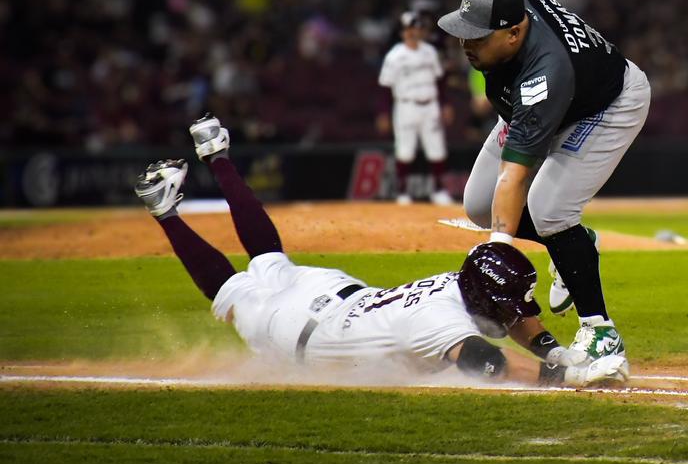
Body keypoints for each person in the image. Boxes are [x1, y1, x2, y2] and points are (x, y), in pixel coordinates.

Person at [131, 113, 627, 386]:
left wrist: (557, 350)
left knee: (266, 257)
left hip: (336, 298)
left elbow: (509, 312)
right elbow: (490, 364)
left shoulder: (461, 283)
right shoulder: (442, 323)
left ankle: (218, 157)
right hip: (293, 327)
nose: (520, 313)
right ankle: (165, 212)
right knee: (232, 286)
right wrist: (563, 376)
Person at [435, 0, 650, 374]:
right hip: (551, 100)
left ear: (515, 33)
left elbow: (515, 176)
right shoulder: (509, 1)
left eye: (478, 37)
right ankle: (574, 246)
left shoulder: (544, 73)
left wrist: (497, 251)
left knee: (550, 210)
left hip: (604, 107)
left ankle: (600, 329)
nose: (466, 44)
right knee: (480, 205)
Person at [379, 11, 453, 205]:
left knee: (436, 148)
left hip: (430, 104)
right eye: (409, 29)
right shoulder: (394, 56)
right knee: (405, 150)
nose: (412, 32)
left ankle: (439, 189)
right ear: (402, 32)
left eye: (416, 28)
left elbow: (439, 81)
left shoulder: (429, 52)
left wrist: (444, 104)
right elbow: (386, 88)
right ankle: (402, 192)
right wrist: (384, 113)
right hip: (406, 106)